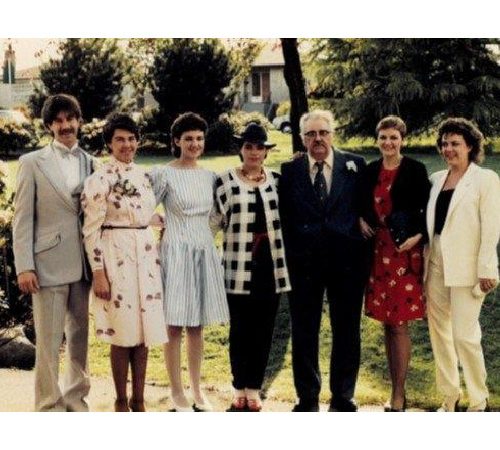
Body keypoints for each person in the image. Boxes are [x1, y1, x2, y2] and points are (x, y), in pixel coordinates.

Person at [279, 109, 369, 412]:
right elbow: (285, 217)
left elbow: (368, 205)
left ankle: (344, 396)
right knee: (304, 330)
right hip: (304, 264)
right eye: (311, 134)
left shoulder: (355, 165)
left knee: (347, 329)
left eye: (323, 132)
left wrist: (362, 220)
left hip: (346, 262)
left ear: (332, 134)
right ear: (303, 138)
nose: (318, 139)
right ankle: (307, 397)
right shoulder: (290, 171)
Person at [12, 94, 94, 412]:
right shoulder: (32, 163)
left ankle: (75, 399)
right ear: (49, 126)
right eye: (58, 121)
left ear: (79, 121)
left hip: (84, 266)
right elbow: (22, 219)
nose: (65, 125)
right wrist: (24, 266)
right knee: (48, 343)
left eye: (70, 119)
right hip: (46, 265)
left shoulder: (92, 163)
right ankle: (48, 405)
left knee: (79, 340)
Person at [81, 113, 168, 412]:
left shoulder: (144, 177)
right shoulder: (99, 179)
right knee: (122, 332)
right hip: (115, 259)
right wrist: (99, 273)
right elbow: (91, 230)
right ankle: (120, 399)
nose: (126, 144)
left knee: (142, 333)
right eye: (120, 139)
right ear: (109, 143)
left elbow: (143, 216)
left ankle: (139, 399)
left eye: (131, 139)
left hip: (144, 258)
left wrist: (162, 221)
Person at [150, 112, 229, 412]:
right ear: (176, 141)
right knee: (174, 325)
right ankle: (176, 391)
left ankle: (197, 390)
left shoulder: (210, 177)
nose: (194, 144)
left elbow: (215, 217)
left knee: (197, 326)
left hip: (203, 251)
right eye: (188, 139)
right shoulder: (163, 173)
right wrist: (157, 221)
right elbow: (141, 207)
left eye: (199, 138)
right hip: (175, 252)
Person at [215, 123, 291, 412]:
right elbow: (214, 221)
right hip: (237, 266)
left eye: (260, 147)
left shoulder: (276, 181)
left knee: (264, 329)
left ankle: (254, 388)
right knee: (240, 330)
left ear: (266, 151)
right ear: (241, 149)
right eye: (249, 146)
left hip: (271, 267)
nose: (254, 152)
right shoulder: (225, 181)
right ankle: (238, 387)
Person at [425, 117, 500, 412]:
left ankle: (478, 400)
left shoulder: (486, 179)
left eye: (455, 143)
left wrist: (487, 268)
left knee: (464, 336)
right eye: (444, 143)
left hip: (468, 267)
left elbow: (491, 228)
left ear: (470, 146)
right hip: (436, 262)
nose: (448, 149)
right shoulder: (436, 179)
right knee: (439, 334)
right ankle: (449, 396)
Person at [358, 116, 430, 411]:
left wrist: (419, 236)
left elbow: (429, 213)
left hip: (403, 254)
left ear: (403, 140)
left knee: (399, 325)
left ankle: (398, 394)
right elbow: (360, 203)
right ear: (377, 140)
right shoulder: (370, 170)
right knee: (387, 325)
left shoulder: (415, 169)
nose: (388, 143)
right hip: (376, 254)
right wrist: (360, 219)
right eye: (383, 138)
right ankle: (394, 388)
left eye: (394, 138)